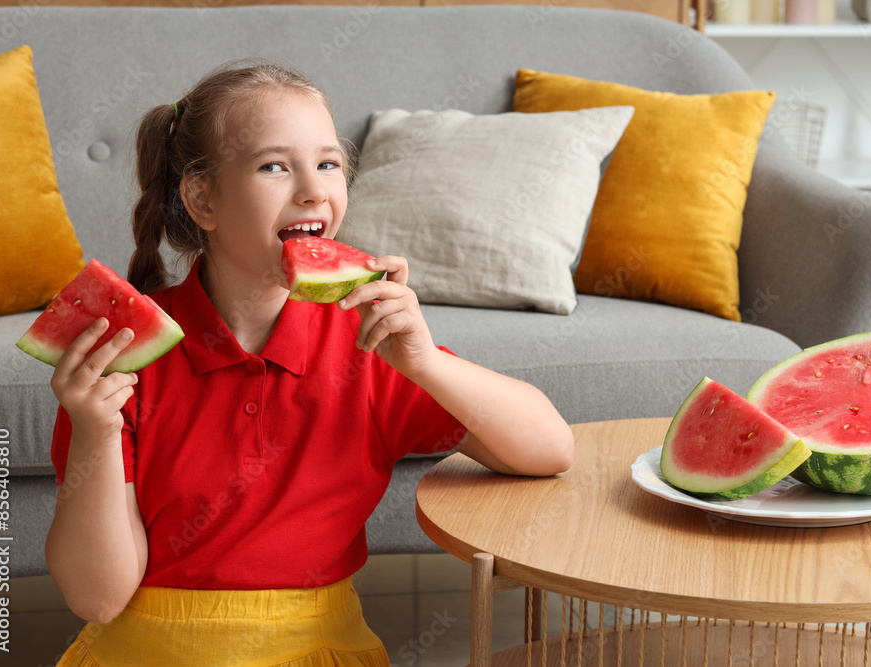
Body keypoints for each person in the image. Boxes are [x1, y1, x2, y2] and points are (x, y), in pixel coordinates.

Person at [44, 60, 574, 666]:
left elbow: (550, 448)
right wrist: (94, 433)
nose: (313, 190)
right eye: (275, 166)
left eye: (328, 164)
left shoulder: (366, 346)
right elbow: (99, 597)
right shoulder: (120, 362)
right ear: (202, 198)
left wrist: (425, 363)